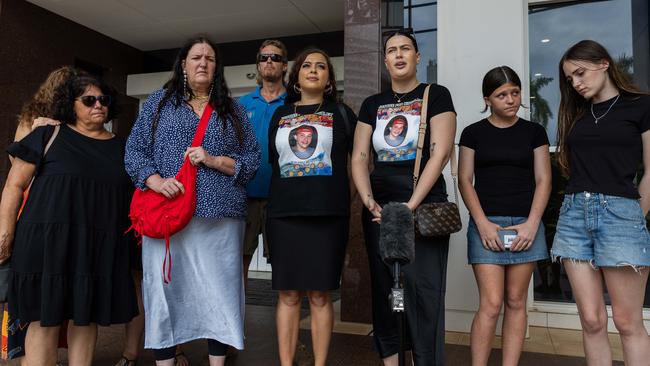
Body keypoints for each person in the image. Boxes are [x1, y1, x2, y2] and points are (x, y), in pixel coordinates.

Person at [124, 36, 260, 366]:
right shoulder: (157, 105)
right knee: (164, 293)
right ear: (183, 64)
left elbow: (251, 161)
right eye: (196, 57)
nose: (203, 63)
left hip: (220, 218)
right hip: (168, 219)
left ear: (217, 67)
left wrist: (214, 160)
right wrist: (155, 181)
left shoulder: (234, 110)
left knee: (221, 292)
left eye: (210, 59)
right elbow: (134, 152)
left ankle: (217, 362)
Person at [0, 71, 139, 365]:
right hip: (45, 244)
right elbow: (14, 185)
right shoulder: (48, 135)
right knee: (43, 317)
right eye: (89, 100)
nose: (98, 105)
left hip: (97, 247)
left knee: (85, 317)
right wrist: (5, 234)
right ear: (70, 104)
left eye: (103, 99)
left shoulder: (124, 147)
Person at [351, 28, 457, 365]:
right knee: (389, 293)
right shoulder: (372, 104)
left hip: (422, 206)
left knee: (423, 294)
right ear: (385, 60)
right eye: (392, 50)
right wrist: (368, 200)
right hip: (380, 209)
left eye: (405, 49)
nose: (398, 55)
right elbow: (359, 157)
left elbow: (440, 153)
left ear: (416, 57)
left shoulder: (435, 95)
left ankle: (425, 360)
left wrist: (409, 208)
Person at [552, 39, 650, 365]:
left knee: (627, 322)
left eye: (580, 73)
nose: (576, 83)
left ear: (604, 63)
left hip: (621, 214)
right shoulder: (578, 114)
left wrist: (635, 216)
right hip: (573, 216)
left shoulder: (640, 106)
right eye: (570, 79)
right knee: (592, 321)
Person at [267, 48, 356, 366]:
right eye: (307, 66)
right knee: (288, 294)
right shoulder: (280, 115)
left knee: (320, 295)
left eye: (322, 66)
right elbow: (275, 163)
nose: (314, 70)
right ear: (296, 75)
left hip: (328, 216)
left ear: (330, 78)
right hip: (284, 215)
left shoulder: (343, 114)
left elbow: (357, 165)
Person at [457, 66, 551, 366]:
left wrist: (532, 225)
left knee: (515, 301)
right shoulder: (472, 132)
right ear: (488, 99)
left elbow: (544, 180)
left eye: (514, 92)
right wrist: (482, 224)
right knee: (491, 303)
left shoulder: (535, 131)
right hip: (488, 225)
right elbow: (464, 180)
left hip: (526, 225)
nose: (510, 99)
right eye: (501, 95)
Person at [239, 39, 288, 287]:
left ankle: (284, 326)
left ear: (285, 66)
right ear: (258, 65)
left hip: (281, 197)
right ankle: (235, 325)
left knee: (284, 266)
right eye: (264, 57)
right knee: (238, 264)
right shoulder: (242, 105)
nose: (269, 61)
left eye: (275, 57)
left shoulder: (293, 104)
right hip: (244, 196)